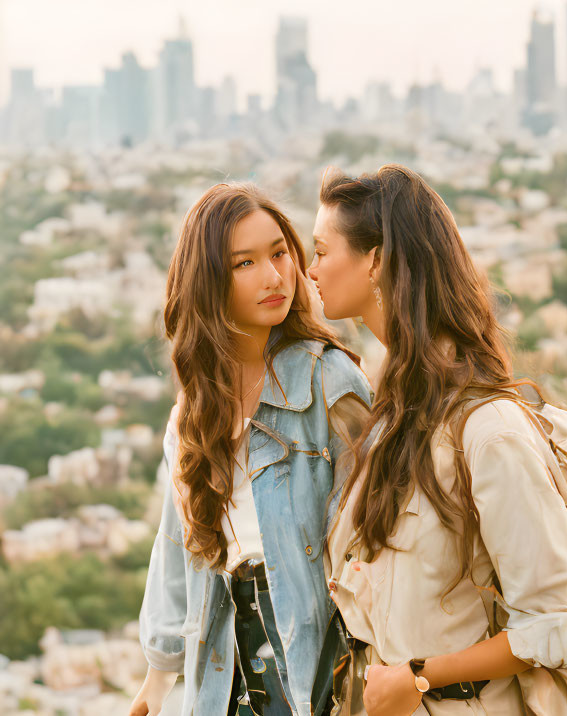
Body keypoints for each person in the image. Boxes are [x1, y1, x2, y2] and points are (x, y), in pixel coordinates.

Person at [308, 164, 567, 715]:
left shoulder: (490, 432)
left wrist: (418, 679)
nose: (311, 271)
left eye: (320, 251)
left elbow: (559, 622)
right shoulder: (394, 412)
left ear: (375, 260)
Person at [129, 183, 373, 716]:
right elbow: (176, 547)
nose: (273, 276)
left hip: (320, 670)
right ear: (209, 281)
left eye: (280, 252)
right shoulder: (192, 416)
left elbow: (378, 537)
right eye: (244, 263)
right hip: (223, 673)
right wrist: (155, 683)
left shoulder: (330, 383)